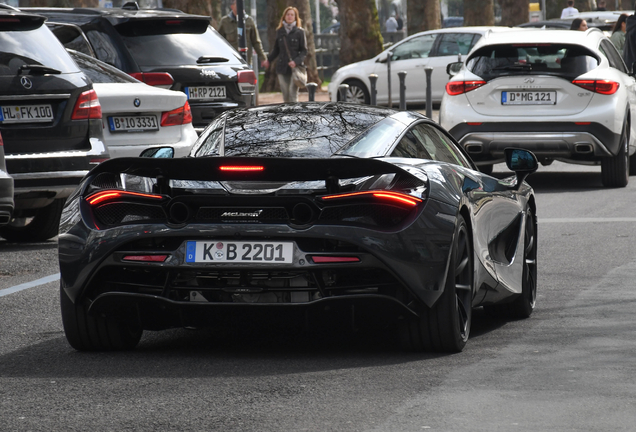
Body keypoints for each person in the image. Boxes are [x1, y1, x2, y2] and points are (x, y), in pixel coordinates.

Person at [263, 6, 307, 103]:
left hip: (295, 69)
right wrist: (268, 60)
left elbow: (304, 51)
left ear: (295, 17)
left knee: (292, 93)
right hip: (282, 67)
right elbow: (276, 49)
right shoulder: (280, 31)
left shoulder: (300, 32)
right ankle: (287, 116)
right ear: (284, 17)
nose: (290, 16)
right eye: (288, 14)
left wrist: (295, 62)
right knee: (286, 95)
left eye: (292, 15)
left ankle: (294, 114)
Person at [218, 0, 267, 67]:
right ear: (232, 6)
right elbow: (219, 41)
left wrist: (263, 58)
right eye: (238, 4)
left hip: (246, 61)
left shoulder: (249, 21)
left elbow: (256, 41)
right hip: (230, 62)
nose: (241, 6)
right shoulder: (225, 22)